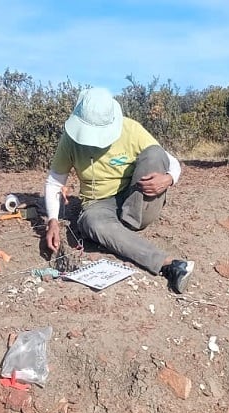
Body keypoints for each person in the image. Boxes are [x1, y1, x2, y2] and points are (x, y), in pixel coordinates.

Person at [43, 87, 195, 293]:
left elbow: (172, 162)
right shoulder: (70, 140)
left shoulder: (131, 129)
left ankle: (123, 229)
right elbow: (54, 182)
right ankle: (168, 264)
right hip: (98, 205)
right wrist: (52, 220)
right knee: (92, 221)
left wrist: (168, 179)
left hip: (136, 200)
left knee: (155, 154)